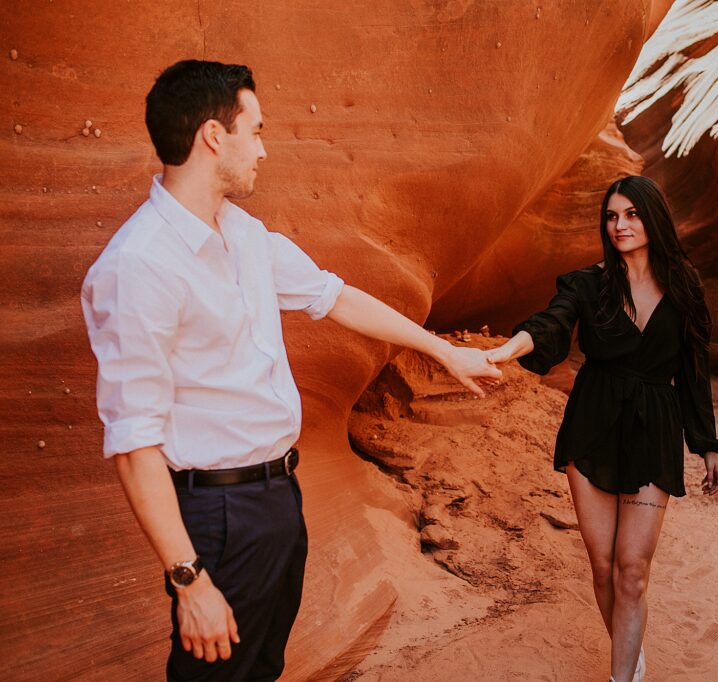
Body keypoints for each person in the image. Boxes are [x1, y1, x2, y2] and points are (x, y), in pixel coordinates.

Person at [80, 59, 501, 681]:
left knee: (261, 669)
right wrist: (189, 580)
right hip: (217, 516)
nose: (264, 149)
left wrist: (443, 350)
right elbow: (133, 442)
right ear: (214, 137)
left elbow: (334, 296)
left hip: (278, 496)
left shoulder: (241, 233)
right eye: (256, 130)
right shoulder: (139, 264)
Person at [484, 175, 718, 682]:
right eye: (612, 216)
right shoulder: (588, 284)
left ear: (653, 217)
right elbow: (552, 323)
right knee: (602, 567)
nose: (620, 225)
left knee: (631, 570)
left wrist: (705, 444)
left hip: (653, 427)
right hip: (592, 423)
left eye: (632, 214)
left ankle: (621, 677)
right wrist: (510, 349)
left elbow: (695, 368)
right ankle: (630, 658)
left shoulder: (684, 286)